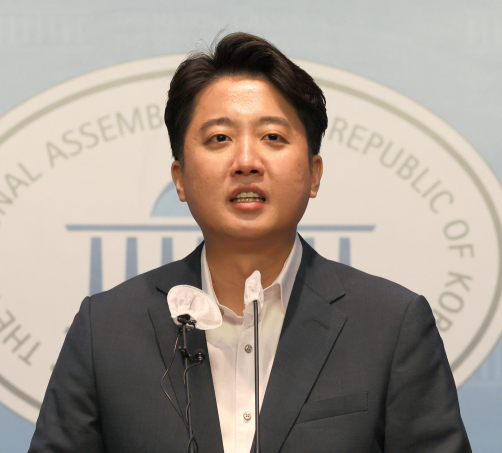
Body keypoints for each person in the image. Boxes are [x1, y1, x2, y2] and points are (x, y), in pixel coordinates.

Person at [28, 32, 472, 453]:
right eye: (219, 138)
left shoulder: (391, 326)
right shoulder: (105, 331)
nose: (246, 161)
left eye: (272, 137)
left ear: (314, 174)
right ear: (180, 178)